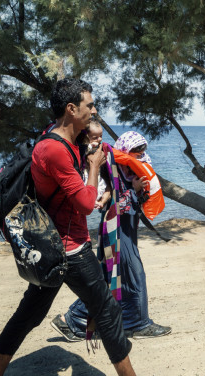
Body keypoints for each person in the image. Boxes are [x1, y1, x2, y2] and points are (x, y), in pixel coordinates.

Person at [0, 78, 136, 376]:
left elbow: (89, 137)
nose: (94, 111)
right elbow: (84, 202)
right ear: (71, 108)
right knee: (107, 311)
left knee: (29, 314)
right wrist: (94, 166)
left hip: (55, 247)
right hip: (69, 249)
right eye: (89, 106)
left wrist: (90, 137)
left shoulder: (57, 138)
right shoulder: (54, 151)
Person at [53, 131, 171, 341]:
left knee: (110, 279)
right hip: (115, 230)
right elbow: (117, 204)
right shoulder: (113, 169)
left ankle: (72, 321)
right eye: (136, 151)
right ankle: (137, 324)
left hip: (124, 230)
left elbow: (136, 202)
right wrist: (134, 190)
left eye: (143, 150)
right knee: (132, 276)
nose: (141, 155)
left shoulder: (128, 169)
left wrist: (140, 191)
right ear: (125, 150)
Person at [79, 118, 112, 210]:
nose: (99, 139)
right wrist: (89, 146)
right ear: (86, 137)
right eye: (95, 137)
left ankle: (100, 202)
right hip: (87, 175)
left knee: (106, 187)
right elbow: (84, 152)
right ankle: (94, 201)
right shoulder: (84, 147)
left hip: (98, 175)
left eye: (101, 136)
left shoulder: (101, 146)